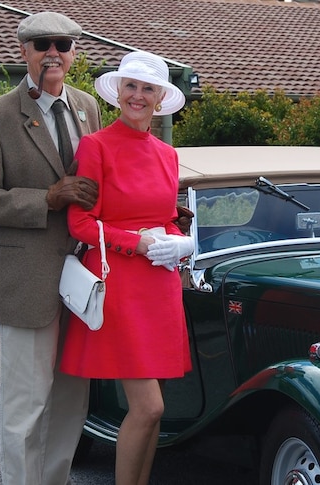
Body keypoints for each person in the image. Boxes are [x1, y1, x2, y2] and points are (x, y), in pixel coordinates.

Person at [0, 11, 102, 485]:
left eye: (63, 43)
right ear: (24, 52)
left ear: (75, 53)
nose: (53, 52)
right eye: (42, 44)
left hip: (82, 281)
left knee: (69, 401)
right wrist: (46, 199)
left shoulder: (88, 107)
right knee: (26, 403)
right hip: (26, 283)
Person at [59, 50, 193, 485]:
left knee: (156, 412)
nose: (137, 95)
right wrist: (138, 242)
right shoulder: (95, 146)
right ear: (118, 92)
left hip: (160, 283)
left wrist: (179, 241)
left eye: (147, 88)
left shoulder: (167, 154)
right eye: (130, 86)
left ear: (160, 98)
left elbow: (166, 216)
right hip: (119, 283)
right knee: (149, 406)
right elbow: (79, 222)